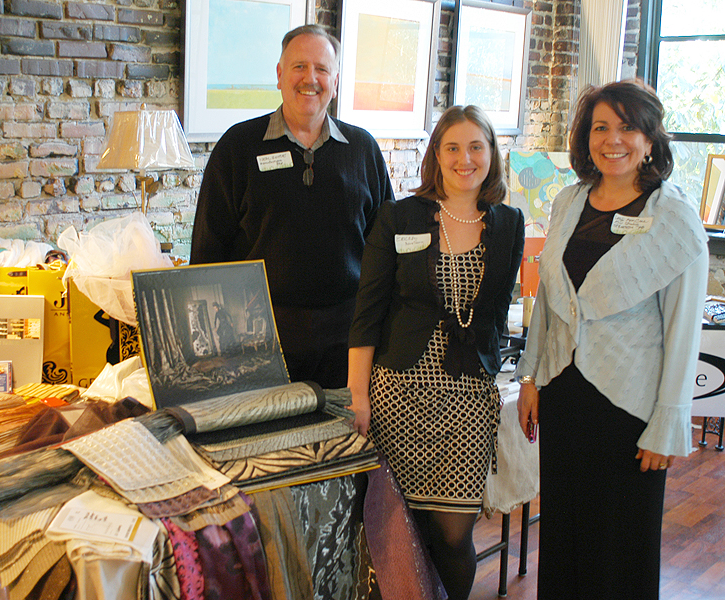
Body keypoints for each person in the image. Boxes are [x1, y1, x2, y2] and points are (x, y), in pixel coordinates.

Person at [515, 80, 708, 599]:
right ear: (586, 137)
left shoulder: (675, 219)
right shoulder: (568, 202)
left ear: (650, 140)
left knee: (621, 546)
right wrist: (530, 378)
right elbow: (551, 302)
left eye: (627, 127)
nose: (613, 139)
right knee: (565, 537)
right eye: (601, 127)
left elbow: (682, 331)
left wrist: (668, 425)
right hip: (564, 396)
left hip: (630, 408)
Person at [348, 105, 524, 600]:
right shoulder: (399, 217)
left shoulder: (509, 224)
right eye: (453, 148)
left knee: (453, 532)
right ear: (436, 155)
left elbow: (495, 314)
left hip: (468, 399)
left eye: (476, 147)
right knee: (400, 528)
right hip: (398, 395)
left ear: (491, 153)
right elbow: (367, 313)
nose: (465, 159)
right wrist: (358, 394)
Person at [190, 24, 395, 389]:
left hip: (347, 346)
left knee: (342, 429)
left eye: (321, 69)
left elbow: (385, 252)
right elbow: (207, 251)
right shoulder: (238, 147)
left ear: (335, 81)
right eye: (299, 66)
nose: (310, 79)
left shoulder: (363, 150)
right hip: (255, 345)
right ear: (280, 75)